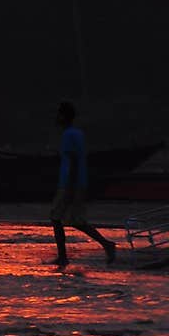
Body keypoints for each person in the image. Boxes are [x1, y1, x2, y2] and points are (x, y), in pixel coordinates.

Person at [50, 101, 116, 267]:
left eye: (58, 114)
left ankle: (63, 257)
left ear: (64, 116)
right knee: (75, 220)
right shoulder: (77, 133)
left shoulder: (68, 135)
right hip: (77, 182)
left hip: (70, 183)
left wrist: (70, 187)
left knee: (56, 217)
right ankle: (106, 244)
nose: (56, 117)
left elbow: (72, 160)